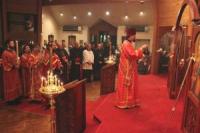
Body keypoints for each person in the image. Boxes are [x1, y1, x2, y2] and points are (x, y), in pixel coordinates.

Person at [116, 28, 145, 109]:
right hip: (127, 68)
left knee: (127, 85)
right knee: (127, 85)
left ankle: (129, 102)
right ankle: (125, 102)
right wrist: (141, 49)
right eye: (134, 35)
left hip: (128, 67)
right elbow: (132, 55)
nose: (135, 37)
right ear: (131, 35)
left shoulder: (127, 43)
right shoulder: (126, 44)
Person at [2, 40, 21, 104]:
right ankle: (10, 100)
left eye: (13, 43)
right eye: (12, 43)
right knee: (10, 85)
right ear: (8, 44)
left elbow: (16, 60)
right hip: (9, 72)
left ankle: (16, 98)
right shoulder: (5, 53)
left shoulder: (14, 52)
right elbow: (4, 62)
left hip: (15, 71)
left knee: (15, 83)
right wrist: (12, 66)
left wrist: (18, 62)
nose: (13, 44)